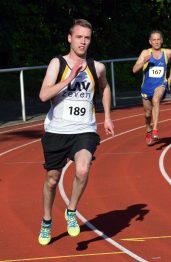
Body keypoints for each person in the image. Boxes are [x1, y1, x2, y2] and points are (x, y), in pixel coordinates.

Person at [38, 19, 114, 246]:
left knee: (82, 169)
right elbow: (43, 95)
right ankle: (46, 220)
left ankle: (71, 211)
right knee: (52, 180)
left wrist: (107, 116)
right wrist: (70, 78)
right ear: (70, 38)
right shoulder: (57, 64)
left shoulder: (96, 67)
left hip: (85, 129)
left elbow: (105, 87)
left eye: (87, 38)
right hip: (57, 130)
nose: (83, 41)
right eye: (79, 37)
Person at [133, 30, 171, 145]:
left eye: (158, 39)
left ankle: (155, 129)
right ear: (150, 41)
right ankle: (148, 129)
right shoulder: (145, 53)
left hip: (161, 85)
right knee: (147, 114)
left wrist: (170, 78)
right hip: (146, 88)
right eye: (154, 40)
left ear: (161, 41)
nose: (156, 42)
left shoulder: (168, 53)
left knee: (156, 100)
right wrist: (144, 62)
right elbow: (134, 69)